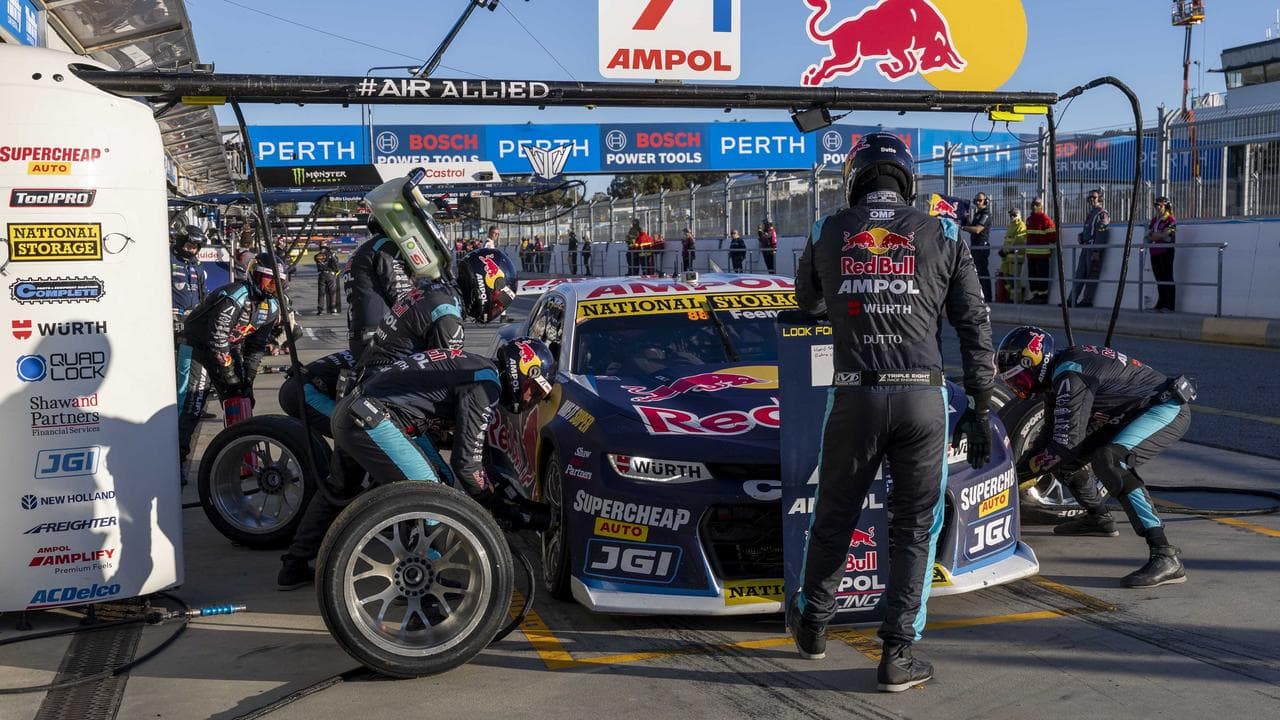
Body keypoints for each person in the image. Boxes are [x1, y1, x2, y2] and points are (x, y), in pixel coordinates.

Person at [789, 132, 994, 693]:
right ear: (907, 179)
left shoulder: (828, 229)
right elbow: (975, 327)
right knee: (913, 527)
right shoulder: (947, 231)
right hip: (924, 399)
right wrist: (979, 405)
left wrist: (852, 287)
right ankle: (898, 655)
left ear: (856, 178)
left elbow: (803, 301)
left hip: (855, 392)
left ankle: (812, 627)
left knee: (833, 515)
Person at [277, 337, 556, 589]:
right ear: (522, 371)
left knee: (342, 488)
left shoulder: (475, 365)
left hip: (357, 411)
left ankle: (294, 565)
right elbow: (467, 464)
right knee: (431, 498)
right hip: (372, 420)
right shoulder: (485, 385)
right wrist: (496, 505)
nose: (530, 398)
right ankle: (422, 590)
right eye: (534, 390)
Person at [998, 326, 1191, 587]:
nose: (1018, 388)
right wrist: (1021, 470)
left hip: (1164, 408)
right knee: (1065, 461)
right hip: (1125, 413)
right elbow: (1052, 439)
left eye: (1019, 379)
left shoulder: (1071, 375)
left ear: (1035, 362)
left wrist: (1017, 476)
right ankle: (1098, 518)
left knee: (1110, 461)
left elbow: (1063, 445)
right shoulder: (1061, 372)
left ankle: (1165, 555)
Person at [279, 248, 517, 441]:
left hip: (371, 381)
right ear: (486, 285)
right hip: (378, 396)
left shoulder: (434, 291)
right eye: (501, 300)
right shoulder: (448, 316)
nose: (497, 308)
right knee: (429, 471)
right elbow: (444, 381)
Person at [176, 254, 286, 469]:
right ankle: (176, 463)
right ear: (254, 275)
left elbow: (255, 347)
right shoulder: (236, 295)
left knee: (241, 399)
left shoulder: (272, 307)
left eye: (279, 283)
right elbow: (216, 338)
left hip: (226, 347)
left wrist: (248, 379)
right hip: (196, 346)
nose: (274, 287)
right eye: (269, 280)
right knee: (191, 404)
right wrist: (230, 375)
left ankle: (241, 460)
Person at [1070, 189, 1111, 308]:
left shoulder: (1102, 214)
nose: (1091, 199)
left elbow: (1102, 233)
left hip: (1093, 248)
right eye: (1090, 198)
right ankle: (1071, 300)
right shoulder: (1091, 213)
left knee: (1091, 275)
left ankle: (1087, 300)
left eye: (1094, 197)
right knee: (1079, 274)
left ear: (1100, 199)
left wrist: (1097, 251)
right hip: (1086, 247)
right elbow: (1090, 230)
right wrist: (1081, 236)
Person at [170, 225, 207, 322]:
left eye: (195, 248)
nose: (192, 250)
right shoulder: (169, 259)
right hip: (173, 315)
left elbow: (202, 290)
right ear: (181, 243)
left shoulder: (197, 264)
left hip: (194, 315)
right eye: (189, 247)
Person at [1146, 197, 1177, 312]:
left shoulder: (1170, 219)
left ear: (1165, 206)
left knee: (1167, 277)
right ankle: (1161, 302)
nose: (1157, 207)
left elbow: (1166, 234)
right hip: (1154, 251)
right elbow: (1148, 235)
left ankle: (1170, 305)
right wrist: (1156, 235)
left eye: (1160, 205)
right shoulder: (1154, 220)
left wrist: (1155, 235)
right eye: (1155, 205)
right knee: (1158, 278)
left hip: (1166, 251)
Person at [1024, 198, 1057, 305]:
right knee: (1032, 276)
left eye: (1037, 204)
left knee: (1041, 276)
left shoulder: (1045, 219)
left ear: (1041, 206)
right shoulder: (1029, 219)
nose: (1034, 206)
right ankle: (1036, 296)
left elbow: (1052, 236)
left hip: (1042, 255)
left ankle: (1042, 297)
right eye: (1033, 204)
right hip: (1031, 254)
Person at [961, 192, 993, 301]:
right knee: (977, 272)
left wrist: (962, 227)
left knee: (983, 272)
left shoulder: (986, 213)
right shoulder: (977, 213)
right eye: (976, 201)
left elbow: (978, 229)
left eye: (980, 200)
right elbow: (972, 227)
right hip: (975, 246)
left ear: (986, 201)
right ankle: (980, 296)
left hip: (981, 246)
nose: (978, 202)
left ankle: (988, 297)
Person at [998, 208, 1027, 303]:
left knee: (1014, 277)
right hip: (1007, 256)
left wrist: (1006, 250)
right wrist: (1003, 250)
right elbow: (1007, 240)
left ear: (1019, 215)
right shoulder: (1011, 225)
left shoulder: (1021, 225)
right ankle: (1011, 296)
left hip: (1015, 255)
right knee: (1004, 275)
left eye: (1014, 214)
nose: (1012, 217)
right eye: (1011, 215)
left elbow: (1019, 241)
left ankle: (1016, 299)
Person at [313, 241, 342, 315]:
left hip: (321, 275)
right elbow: (335, 263)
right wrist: (336, 270)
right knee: (332, 292)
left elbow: (320, 261)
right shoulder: (330, 254)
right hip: (330, 274)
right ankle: (333, 309)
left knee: (321, 293)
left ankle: (320, 309)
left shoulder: (316, 256)